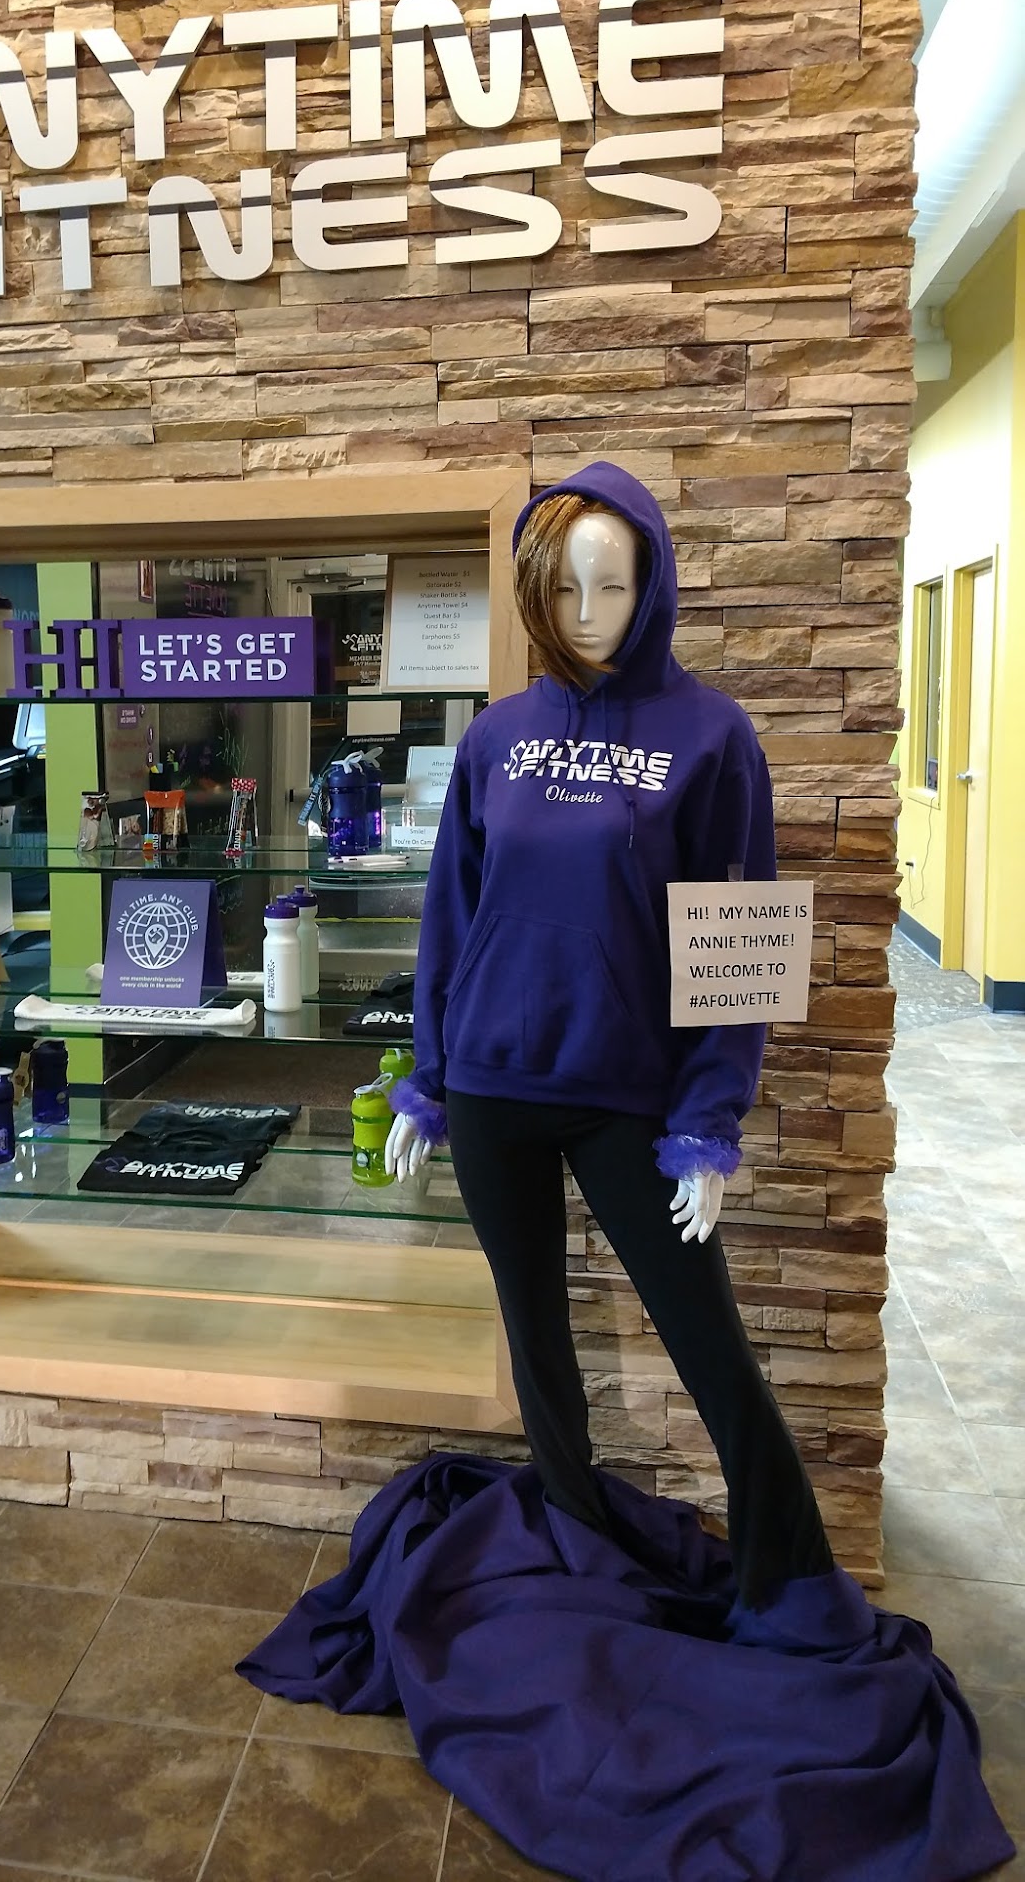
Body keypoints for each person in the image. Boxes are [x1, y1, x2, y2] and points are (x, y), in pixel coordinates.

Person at [385, 460, 832, 1609]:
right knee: (536, 1335)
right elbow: (451, 915)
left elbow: (738, 945)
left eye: (614, 585)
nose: (588, 612)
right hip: (493, 1083)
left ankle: (789, 1578)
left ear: (655, 584)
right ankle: (573, 1538)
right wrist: (429, 1081)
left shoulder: (713, 737)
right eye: (565, 589)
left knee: (709, 1340)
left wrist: (709, 1120)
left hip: (629, 1091)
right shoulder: (496, 738)